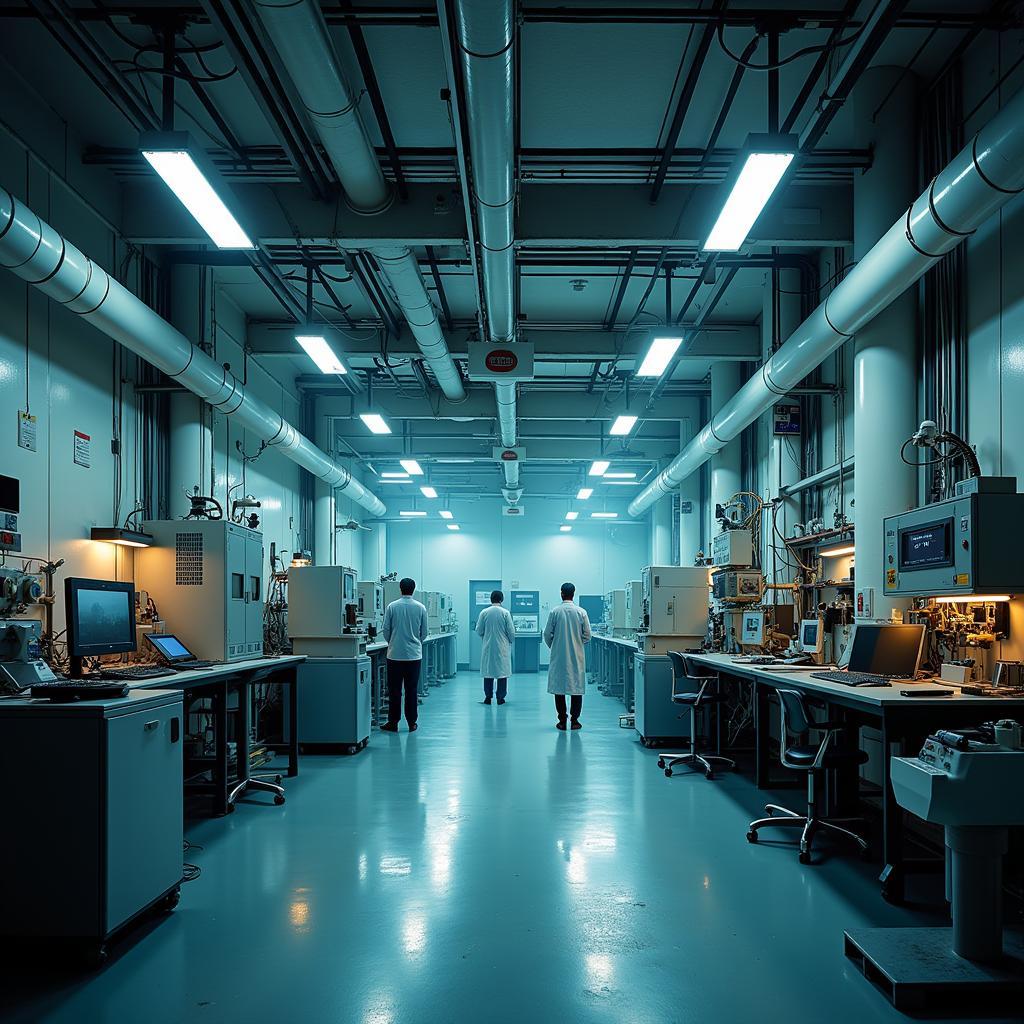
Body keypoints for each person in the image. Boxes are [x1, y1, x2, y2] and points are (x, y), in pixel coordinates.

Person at [381, 577, 429, 732]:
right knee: (411, 689)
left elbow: (386, 630)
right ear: (413, 589)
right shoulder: (420, 608)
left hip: (394, 655)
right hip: (414, 656)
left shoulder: (392, 607)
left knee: (394, 690)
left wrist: (394, 642)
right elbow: (424, 633)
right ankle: (411, 723)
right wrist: (415, 643)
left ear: (400, 589)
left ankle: (393, 722)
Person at [544, 581, 591, 730]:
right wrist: (577, 643)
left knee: (559, 688)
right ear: (574, 593)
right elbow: (588, 635)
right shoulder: (581, 612)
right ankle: (575, 721)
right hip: (576, 655)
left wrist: (555, 644)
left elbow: (547, 634)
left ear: (561, 593)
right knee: (576, 688)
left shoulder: (555, 612)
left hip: (559, 656)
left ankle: (562, 721)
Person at [476, 590, 515, 705]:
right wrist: (510, 641)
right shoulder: (505, 613)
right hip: (502, 646)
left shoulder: (484, 612)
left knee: (488, 672)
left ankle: (488, 697)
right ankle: (500, 698)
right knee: (502, 673)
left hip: (488, 645)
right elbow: (511, 632)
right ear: (501, 600)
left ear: (491, 599)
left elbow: (479, 630)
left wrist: (485, 636)